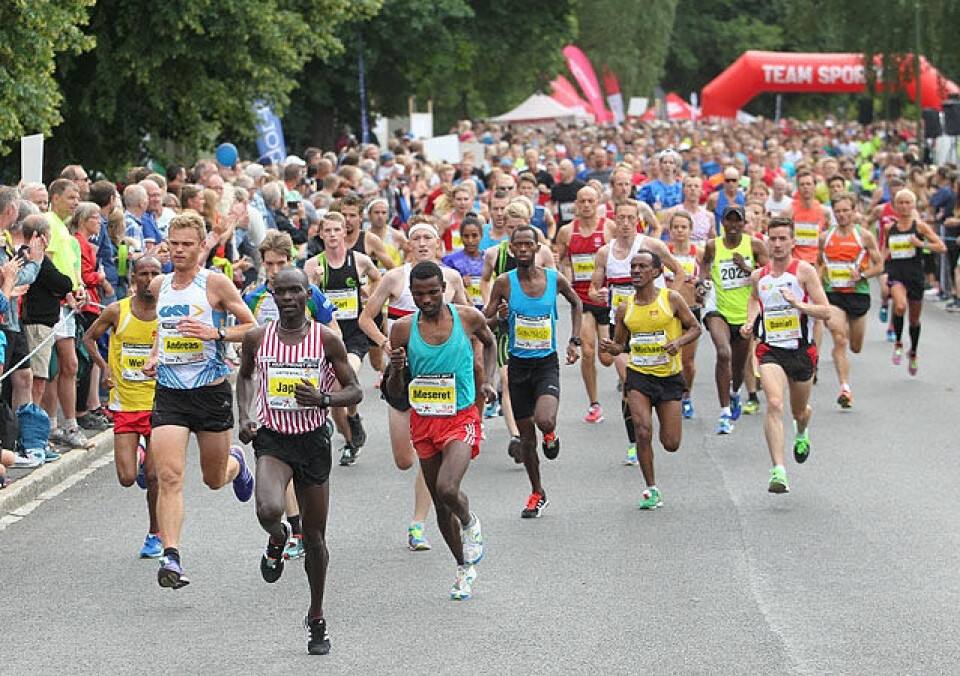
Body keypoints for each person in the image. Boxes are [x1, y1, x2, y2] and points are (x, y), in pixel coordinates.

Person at [236, 267, 362, 656]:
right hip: (273, 439)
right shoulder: (258, 338)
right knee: (268, 509)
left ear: (309, 294)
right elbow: (243, 379)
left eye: (295, 292)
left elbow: (354, 391)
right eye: (281, 292)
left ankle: (317, 614)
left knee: (316, 538)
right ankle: (277, 538)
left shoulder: (326, 340)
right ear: (272, 294)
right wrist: (245, 417)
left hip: (312, 441)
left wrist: (324, 400)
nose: (288, 298)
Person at [141, 212, 258, 589]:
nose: (178, 250)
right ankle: (171, 555)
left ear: (202, 245)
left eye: (187, 244)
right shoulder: (160, 285)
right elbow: (164, 327)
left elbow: (252, 328)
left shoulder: (216, 284)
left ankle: (236, 465)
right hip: (171, 392)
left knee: (212, 478)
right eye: (173, 243)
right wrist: (156, 354)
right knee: (169, 475)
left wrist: (215, 332)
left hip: (210, 390)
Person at [387, 261, 498, 599]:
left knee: (448, 488)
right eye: (419, 294)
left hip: (461, 416)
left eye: (433, 292)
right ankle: (463, 567)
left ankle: (469, 521)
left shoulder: (467, 317)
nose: (426, 300)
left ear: (444, 290)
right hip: (424, 420)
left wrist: (489, 382)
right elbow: (395, 392)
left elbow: (490, 343)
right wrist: (395, 370)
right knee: (439, 502)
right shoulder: (403, 330)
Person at [359, 219, 468, 550]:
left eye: (428, 238)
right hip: (401, 377)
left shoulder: (450, 278)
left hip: (437, 379)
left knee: (429, 449)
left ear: (438, 244)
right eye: (416, 238)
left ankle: (418, 522)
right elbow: (365, 318)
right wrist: (385, 344)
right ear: (408, 244)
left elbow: (469, 317)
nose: (422, 242)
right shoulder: (395, 278)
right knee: (404, 458)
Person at [245, 230, 339, 560]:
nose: (274, 270)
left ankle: (301, 530)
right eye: (268, 265)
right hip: (273, 407)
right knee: (272, 492)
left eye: (280, 263)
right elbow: (244, 339)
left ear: (290, 261)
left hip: (314, 395)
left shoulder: (309, 294)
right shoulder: (255, 299)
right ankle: (289, 529)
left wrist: (327, 394)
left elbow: (333, 332)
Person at [485, 225, 582, 518]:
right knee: (526, 438)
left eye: (530, 244)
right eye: (519, 246)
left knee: (544, 419)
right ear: (512, 250)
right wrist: (499, 317)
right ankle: (537, 492)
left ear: (538, 248)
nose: (524, 249)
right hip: (517, 365)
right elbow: (485, 321)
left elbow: (576, 303)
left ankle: (550, 434)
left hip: (545, 364)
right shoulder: (504, 282)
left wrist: (574, 340)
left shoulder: (554, 279)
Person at [599, 249, 700, 508]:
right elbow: (622, 346)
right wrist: (611, 347)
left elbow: (695, 327)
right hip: (639, 376)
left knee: (671, 443)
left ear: (655, 272)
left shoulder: (672, 299)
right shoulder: (625, 308)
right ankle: (651, 488)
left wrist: (679, 342)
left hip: (668, 377)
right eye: (633, 267)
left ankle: (655, 470)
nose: (636, 271)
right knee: (643, 431)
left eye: (642, 267)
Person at [741, 217, 832, 494]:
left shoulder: (804, 272)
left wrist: (798, 304)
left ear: (793, 242)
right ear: (766, 241)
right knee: (775, 403)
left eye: (783, 239)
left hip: (801, 351)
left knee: (799, 411)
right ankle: (778, 470)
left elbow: (826, 311)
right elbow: (755, 299)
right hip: (771, 350)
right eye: (773, 239)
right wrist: (750, 322)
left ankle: (802, 432)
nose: (777, 244)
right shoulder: (759, 276)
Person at [82, 256, 164, 557]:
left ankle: (155, 534)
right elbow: (88, 337)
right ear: (134, 277)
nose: (149, 278)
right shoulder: (118, 310)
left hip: (159, 405)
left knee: (155, 477)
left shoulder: (168, 313)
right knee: (127, 478)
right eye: (143, 273)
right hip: (126, 404)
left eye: (155, 273)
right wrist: (104, 367)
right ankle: (139, 455)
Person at [589, 199, 682, 464]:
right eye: (621, 218)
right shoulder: (605, 253)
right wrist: (600, 294)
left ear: (638, 220)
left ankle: (655, 415)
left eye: (631, 218)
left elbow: (679, 271)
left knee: (649, 378)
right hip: (622, 327)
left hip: (654, 327)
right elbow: (594, 289)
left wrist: (670, 302)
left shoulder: (651, 247)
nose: (626, 223)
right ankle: (636, 439)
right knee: (628, 378)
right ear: (614, 220)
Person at [304, 212, 380, 465]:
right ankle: (350, 440)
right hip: (324, 337)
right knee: (336, 402)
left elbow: (380, 279)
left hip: (353, 336)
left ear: (345, 231)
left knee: (343, 378)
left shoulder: (359, 261)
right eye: (328, 230)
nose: (333, 234)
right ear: (321, 234)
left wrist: (371, 298)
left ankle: (354, 417)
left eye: (338, 229)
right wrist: (313, 282)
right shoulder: (313, 265)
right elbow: (306, 303)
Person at [697, 204, 769, 434]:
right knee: (723, 353)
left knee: (738, 368)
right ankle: (724, 413)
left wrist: (747, 268)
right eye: (729, 220)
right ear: (723, 223)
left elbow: (770, 275)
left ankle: (735, 392)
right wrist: (701, 286)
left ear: (744, 223)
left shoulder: (755, 245)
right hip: (717, 309)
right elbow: (704, 272)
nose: (734, 225)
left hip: (745, 312)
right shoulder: (713, 246)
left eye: (738, 221)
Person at [817, 193, 884, 407]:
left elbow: (879, 265)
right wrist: (816, 283)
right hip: (834, 294)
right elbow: (820, 264)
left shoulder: (864, 236)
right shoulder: (824, 237)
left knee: (855, 346)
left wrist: (863, 275)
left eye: (846, 210)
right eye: (838, 211)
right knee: (839, 338)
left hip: (858, 294)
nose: (842, 215)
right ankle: (844, 387)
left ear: (854, 211)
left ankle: (845, 380)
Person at [555, 186, 614, 423]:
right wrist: (567, 276)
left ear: (598, 202)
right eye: (582, 201)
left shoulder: (609, 228)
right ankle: (594, 404)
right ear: (576, 205)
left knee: (607, 358)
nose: (587, 205)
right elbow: (564, 261)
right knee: (587, 351)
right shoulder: (566, 232)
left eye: (591, 200)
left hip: (607, 298)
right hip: (582, 300)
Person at [882, 189, 945, 375]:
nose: (904, 206)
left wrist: (921, 244)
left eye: (908, 202)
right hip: (896, 274)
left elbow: (940, 246)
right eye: (900, 202)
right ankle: (899, 342)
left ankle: (914, 352)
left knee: (914, 319)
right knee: (900, 306)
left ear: (914, 205)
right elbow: (885, 251)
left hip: (915, 276)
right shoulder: (889, 228)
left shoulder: (920, 227)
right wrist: (880, 271)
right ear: (895, 205)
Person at [663, 212, 703, 419]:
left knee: (687, 361)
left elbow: (707, 281)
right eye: (676, 227)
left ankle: (686, 394)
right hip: (667, 312)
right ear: (670, 230)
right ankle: (669, 397)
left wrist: (700, 287)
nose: (679, 231)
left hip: (690, 311)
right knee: (668, 356)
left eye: (683, 227)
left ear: (690, 230)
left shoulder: (699, 253)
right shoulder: (664, 253)